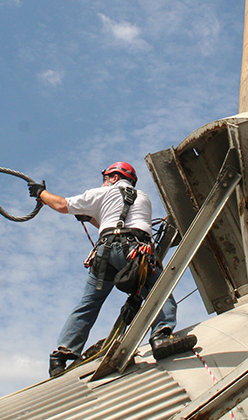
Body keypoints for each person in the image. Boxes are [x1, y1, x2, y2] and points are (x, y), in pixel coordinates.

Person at [28, 161, 197, 377]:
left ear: (113, 177)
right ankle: (161, 336)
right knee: (159, 293)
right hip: (136, 251)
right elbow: (122, 222)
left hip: (104, 255)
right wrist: (90, 217)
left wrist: (41, 193)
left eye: (105, 179)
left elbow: (61, 205)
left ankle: (61, 355)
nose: (103, 183)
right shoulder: (143, 197)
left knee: (88, 303)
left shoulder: (101, 193)